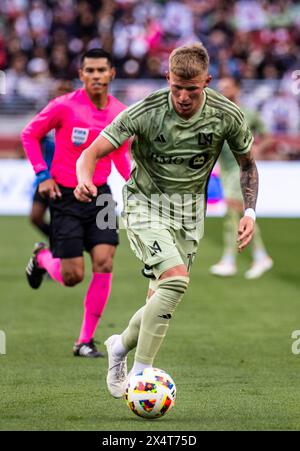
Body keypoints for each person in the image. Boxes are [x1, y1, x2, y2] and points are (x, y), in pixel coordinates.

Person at [74, 43, 258, 397]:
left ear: (208, 80)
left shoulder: (227, 114)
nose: (184, 97)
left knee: (161, 297)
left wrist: (249, 211)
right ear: (167, 78)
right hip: (144, 205)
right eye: (177, 88)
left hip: (189, 214)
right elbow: (92, 151)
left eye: (193, 89)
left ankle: (118, 347)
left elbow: (248, 164)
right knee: (175, 281)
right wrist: (85, 177)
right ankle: (142, 378)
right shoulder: (146, 110)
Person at [22, 49, 131, 358]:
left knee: (105, 262)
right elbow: (30, 134)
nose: (96, 76)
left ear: (112, 74)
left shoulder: (121, 113)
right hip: (65, 196)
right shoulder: (64, 106)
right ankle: (43, 258)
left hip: (102, 194)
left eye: (101, 70)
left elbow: (121, 154)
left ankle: (84, 340)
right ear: (81, 74)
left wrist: (135, 184)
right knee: (72, 277)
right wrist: (43, 174)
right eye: (90, 70)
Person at [210, 77, 273, 279]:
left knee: (234, 212)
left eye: (227, 87)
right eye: (220, 88)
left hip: (241, 169)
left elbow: (268, 136)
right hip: (227, 169)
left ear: (237, 89)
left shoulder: (248, 113)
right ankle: (258, 256)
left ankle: (232, 259)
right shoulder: (217, 115)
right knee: (236, 213)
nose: (223, 91)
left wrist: (257, 150)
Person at [29, 81, 74, 239]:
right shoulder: (46, 118)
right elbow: (31, 139)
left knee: (59, 220)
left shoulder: (75, 118)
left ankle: (62, 247)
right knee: (35, 217)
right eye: (59, 91)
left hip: (64, 179)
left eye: (65, 91)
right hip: (46, 177)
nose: (61, 94)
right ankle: (58, 241)